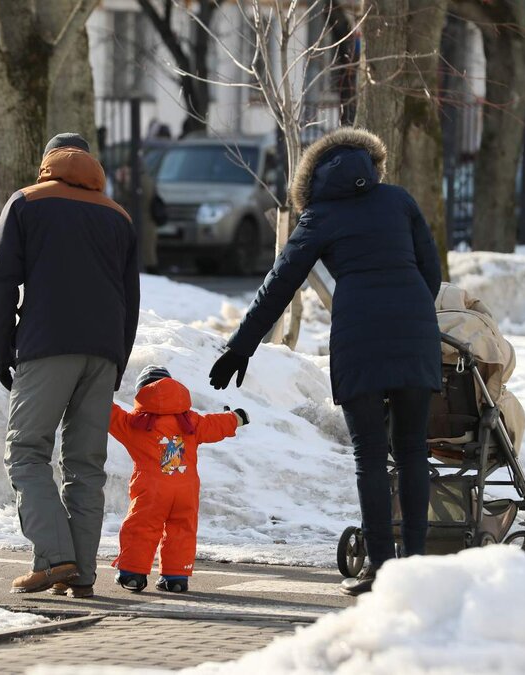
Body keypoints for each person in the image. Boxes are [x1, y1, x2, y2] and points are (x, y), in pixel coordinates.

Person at [208, 128, 442, 597]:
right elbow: (431, 272)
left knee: (370, 454)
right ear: (373, 165)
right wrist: (412, 312)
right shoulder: (398, 200)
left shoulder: (319, 216)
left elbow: (280, 283)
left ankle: (381, 566)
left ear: (312, 178)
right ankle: (415, 565)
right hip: (416, 328)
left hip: (359, 335)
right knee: (413, 449)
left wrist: (240, 345)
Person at [0, 132, 141, 598]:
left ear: (47, 161)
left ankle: (56, 558)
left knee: (27, 451)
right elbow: (130, 298)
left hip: (46, 346)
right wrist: (118, 359)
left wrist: (0, 347)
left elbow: (0, 281)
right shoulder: (118, 216)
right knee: (85, 466)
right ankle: (82, 575)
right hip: (104, 350)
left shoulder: (26, 202)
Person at [107, 365, 248, 593]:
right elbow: (216, 423)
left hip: (151, 491)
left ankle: (133, 573)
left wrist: (92, 390)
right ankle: (176, 577)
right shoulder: (191, 422)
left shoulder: (134, 424)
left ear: (142, 392)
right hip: (186, 490)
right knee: (182, 530)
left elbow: (109, 413)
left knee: (142, 527)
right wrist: (236, 418)